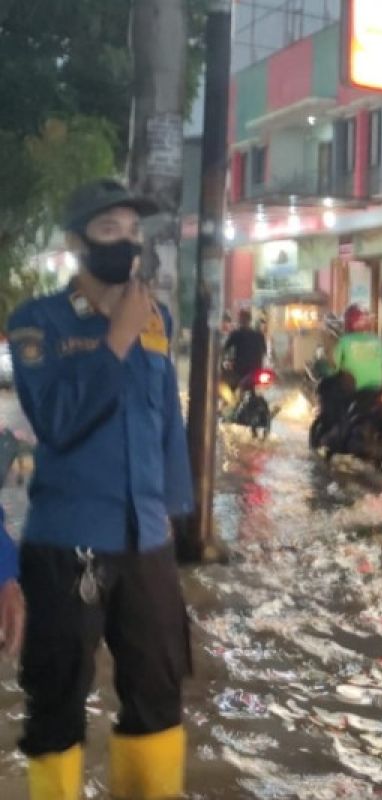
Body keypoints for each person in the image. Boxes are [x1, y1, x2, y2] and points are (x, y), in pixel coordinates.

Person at [2, 179, 194, 800]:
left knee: (159, 694)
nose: (127, 242)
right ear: (75, 242)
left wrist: (171, 511)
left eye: (133, 231)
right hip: (67, 545)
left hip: (146, 541)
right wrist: (115, 337)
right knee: (57, 701)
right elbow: (56, 420)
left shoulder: (156, 319)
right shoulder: (38, 323)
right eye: (110, 230)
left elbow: (166, 421)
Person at [332, 304, 382, 417]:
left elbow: (335, 362)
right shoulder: (376, 340)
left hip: (355, 387)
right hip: (377, 385)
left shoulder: (344, 341)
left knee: (338, 404)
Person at [220, 308, 268, 413]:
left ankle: (229, 406)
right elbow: (264, 352)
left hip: (241, 371)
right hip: (257, 370)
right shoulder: (258, 335)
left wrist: (223, 359)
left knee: (226, 383)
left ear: (241, 320)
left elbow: (225, 349)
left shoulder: (237, 334)